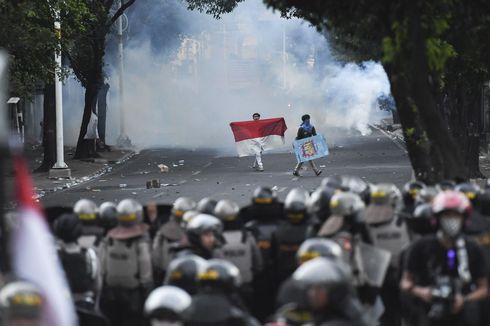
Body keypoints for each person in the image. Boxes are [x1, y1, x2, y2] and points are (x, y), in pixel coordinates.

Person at [400, 191, 488, 326]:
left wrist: (464, 300)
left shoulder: (473, 248)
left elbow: (483, 288)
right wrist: (422, 292)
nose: (451, 220)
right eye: (447, 215)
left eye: (456, 215)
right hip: (427, 314)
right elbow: (405, 282)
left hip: (464, 317)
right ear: (437, 218)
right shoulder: (420, 247)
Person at [99, 198, 153, 326]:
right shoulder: (140, 239)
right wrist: (147, 286)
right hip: (133, 290)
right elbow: (145, 264)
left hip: (111, 288)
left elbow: (102, 263)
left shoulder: (110, 237)